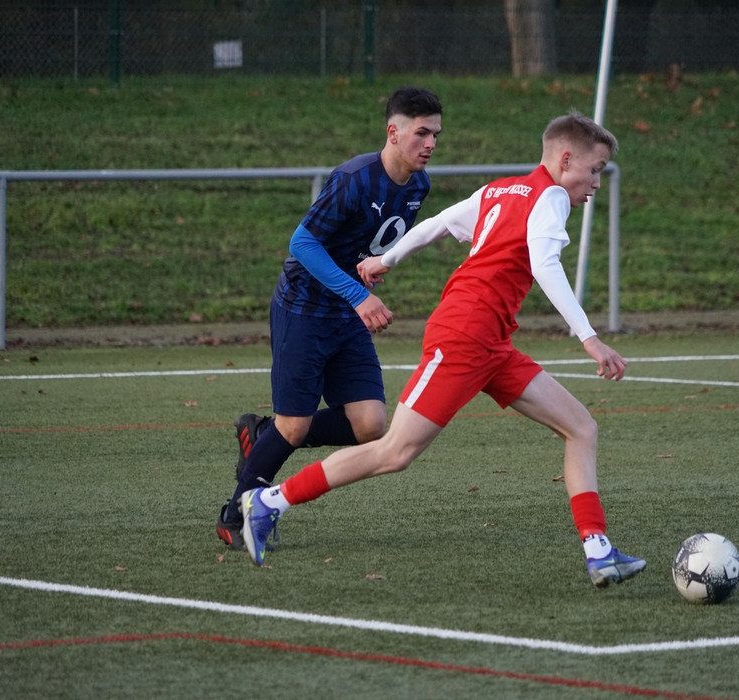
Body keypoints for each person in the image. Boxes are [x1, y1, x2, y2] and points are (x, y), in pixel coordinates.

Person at [239, 111, 646, 588]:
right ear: (566, 159)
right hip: (464, 336)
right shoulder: (552, 196)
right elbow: (545, 264)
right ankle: (267, 502)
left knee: (580, 427)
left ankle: (598, 551)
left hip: (492, 344)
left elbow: (438, 223)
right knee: (395, 451)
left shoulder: (501, 190)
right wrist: (589, 337)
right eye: (594, 170)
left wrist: (385, 259)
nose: (595, 183)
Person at [216, 86, 444, 549]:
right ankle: (234, 515)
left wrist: (376, 265)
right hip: (303, 309)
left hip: (345, 313)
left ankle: (263, 435)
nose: (431, 144)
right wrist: (358, 296)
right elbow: (301, 243)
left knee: (370, 426)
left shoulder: (418, 185)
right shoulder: (353, 179)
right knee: (295, 426)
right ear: (393, 132)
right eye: (422, 133)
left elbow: (375, 240)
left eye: (436, 135)